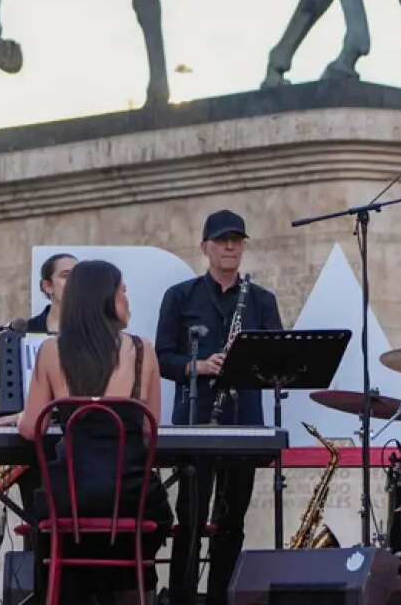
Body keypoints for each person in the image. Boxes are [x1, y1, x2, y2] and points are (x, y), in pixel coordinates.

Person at [18, 259, 173, 604]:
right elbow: (151, 428)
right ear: (104, 298)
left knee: (45, 513)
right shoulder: (143, 352)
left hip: (71, 501)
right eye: (122, 292)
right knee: (157, 515)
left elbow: (31, 428)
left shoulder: (50, 351)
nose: (128, 300)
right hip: (131, 498)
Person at [155, 209, 283, 605]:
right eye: (222, 241)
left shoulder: (261, 300)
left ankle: (221, 598)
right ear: (205, 247)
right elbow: (162, 357)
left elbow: (277, 357)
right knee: (190, 519)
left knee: (232, 521)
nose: (230, 247)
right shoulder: (180, 296)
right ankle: (181, 598)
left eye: (237, 241)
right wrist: (200, 366)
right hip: (196, 421)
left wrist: (247, 362)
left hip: (243, 422)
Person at [18, 253, 76, 334]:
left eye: (78, 275)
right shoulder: (26, 331)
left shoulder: (95, 329)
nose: (75, 281)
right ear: (48, 286)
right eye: (65, 275)